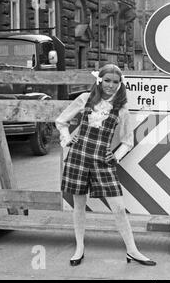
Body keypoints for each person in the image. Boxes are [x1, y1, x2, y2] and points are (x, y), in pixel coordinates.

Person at [56, 63, 156, 267]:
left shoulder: (121, 109)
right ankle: (79, 248)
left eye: (115, 82)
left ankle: (132, 250)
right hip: (79, 157)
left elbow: (128, 141)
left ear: (120, 84)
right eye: (107, 81)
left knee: (118, 207)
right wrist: (67, 140)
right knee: (79, 205)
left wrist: (116, 155)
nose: (110, 85)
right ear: (99, 80)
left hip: (103, 161)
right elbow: (61, 121)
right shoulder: (84, 99)